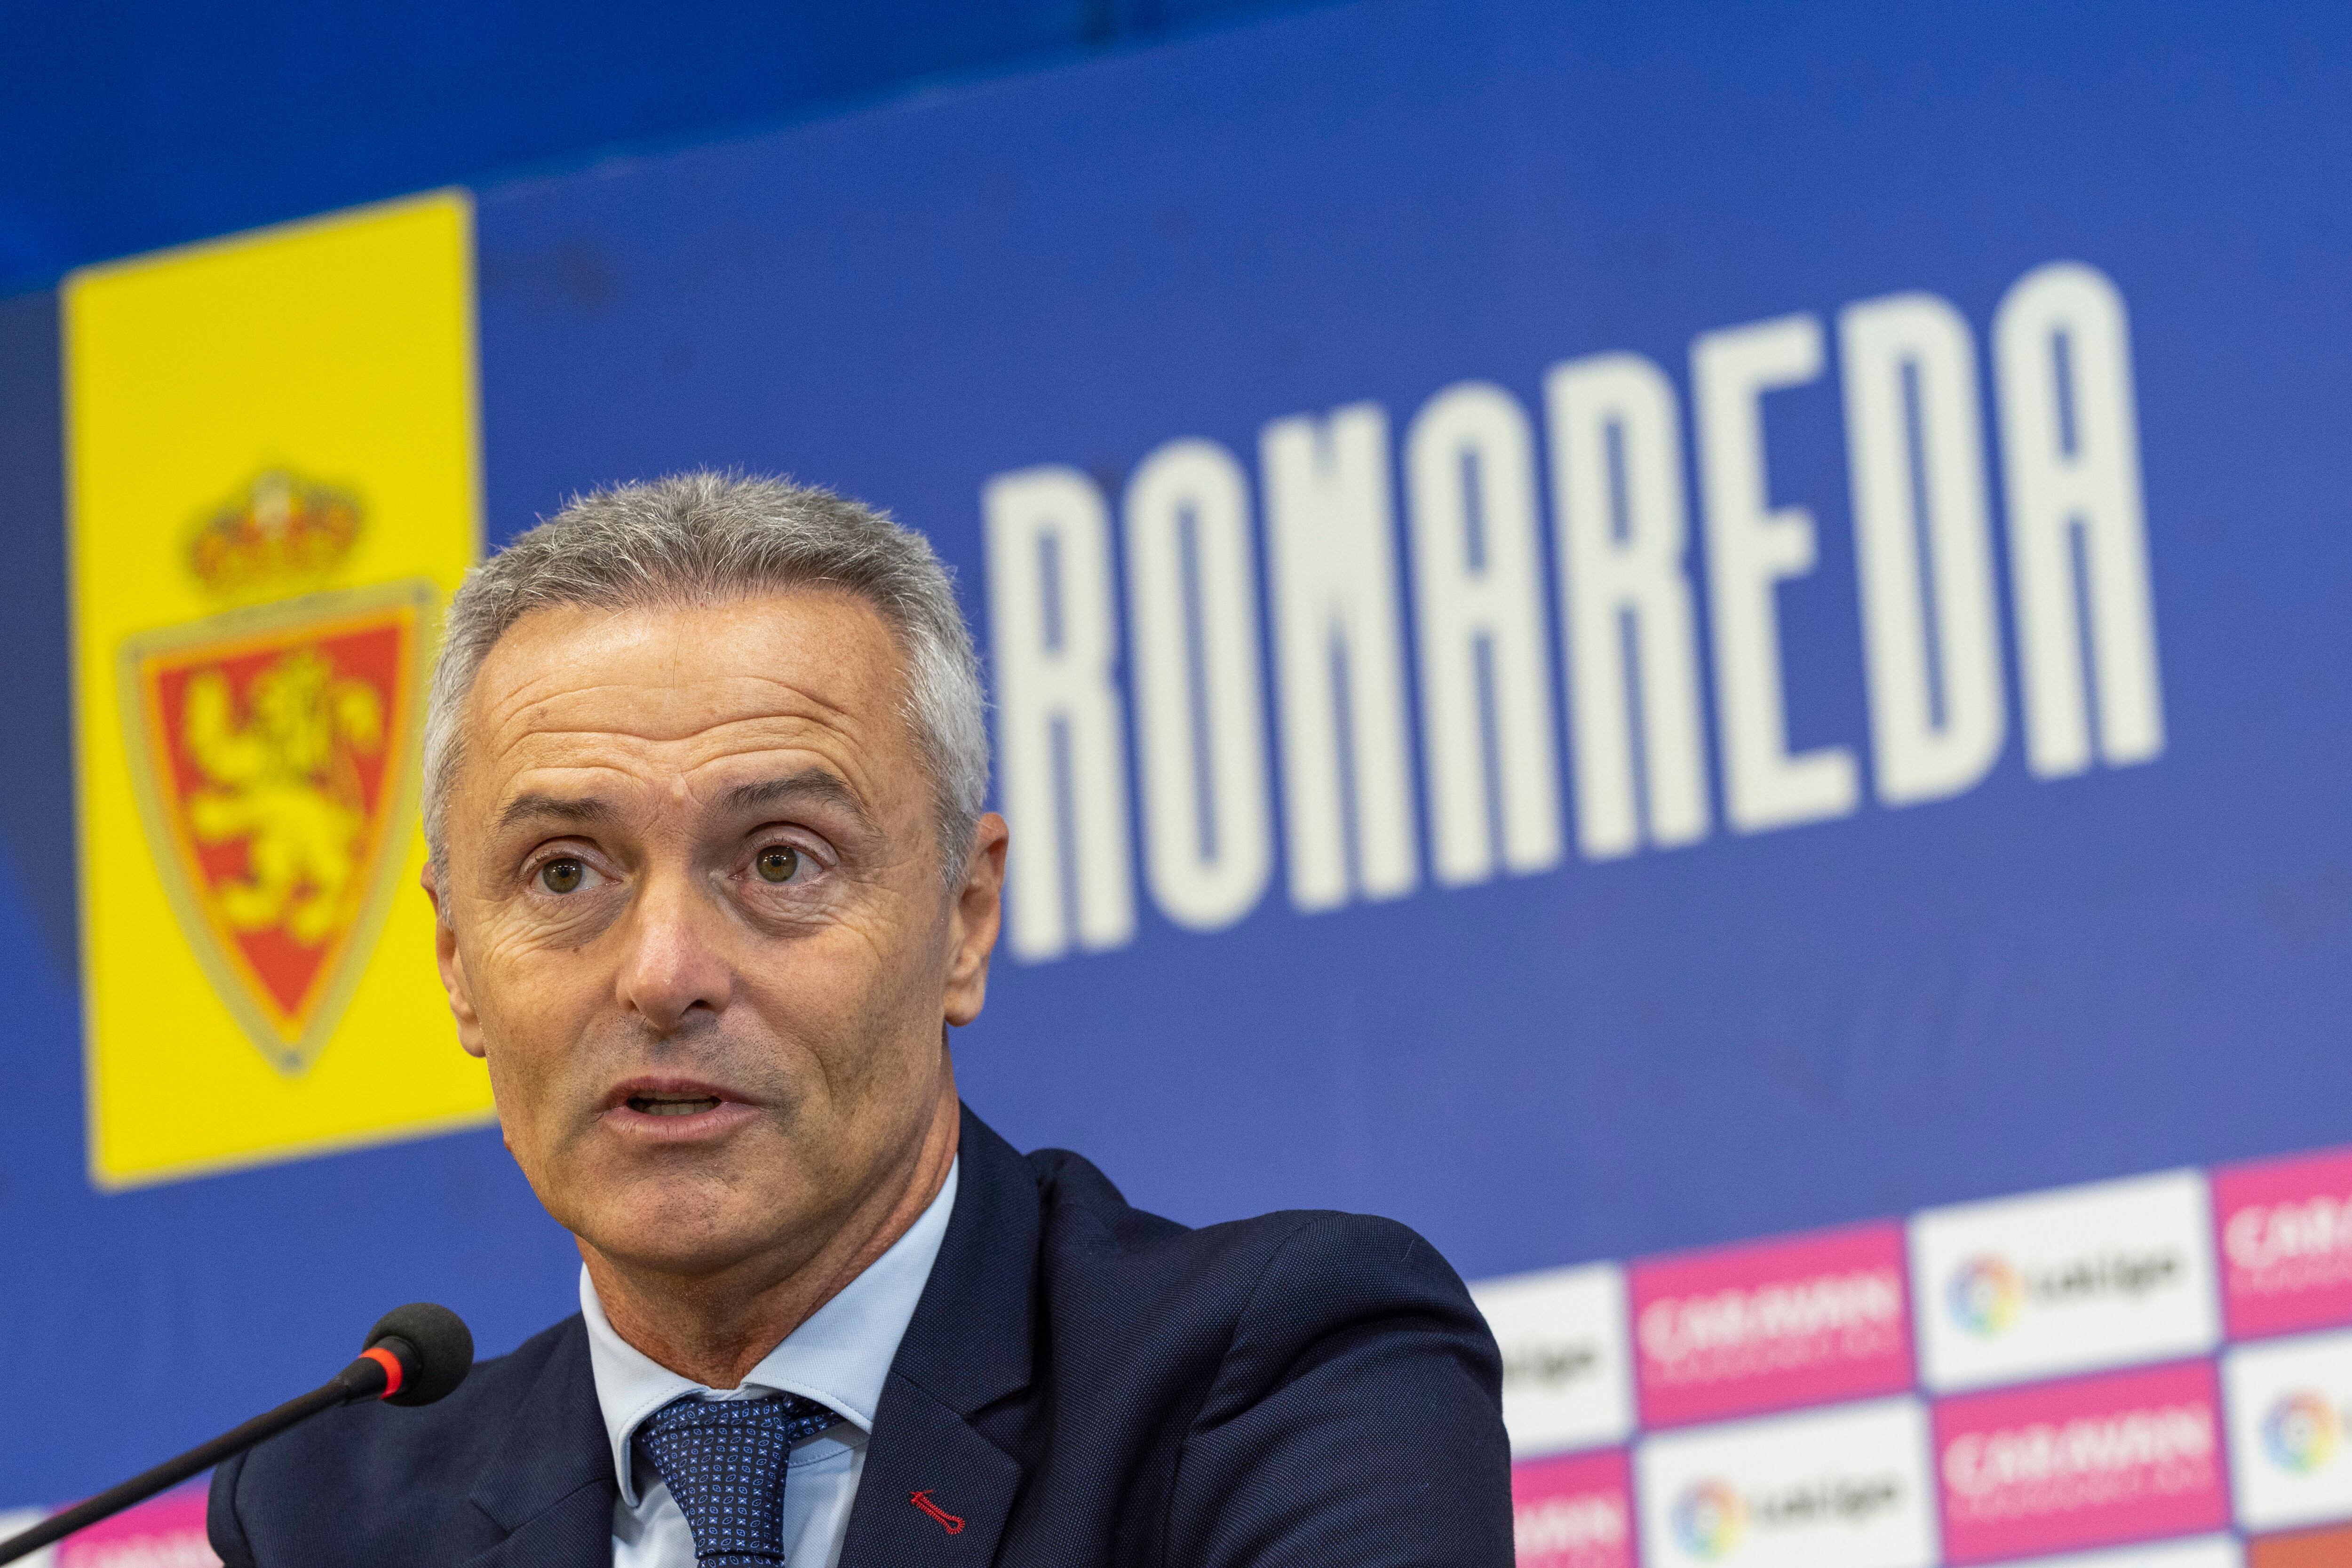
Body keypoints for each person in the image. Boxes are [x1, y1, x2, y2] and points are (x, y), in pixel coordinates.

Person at [207, 472, 1512, 1568]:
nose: (663, 974)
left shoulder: (1285, 1376)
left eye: (780, 861)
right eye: (565, 873)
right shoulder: (329, 1518)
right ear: (454, 959)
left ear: (964, 917)